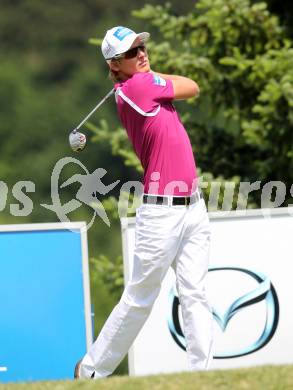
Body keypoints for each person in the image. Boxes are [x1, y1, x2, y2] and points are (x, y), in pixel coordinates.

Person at [74, 26, 213, 379]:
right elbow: (193, 87)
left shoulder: (138, 82)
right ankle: (91, 371)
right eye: (132, 52)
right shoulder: (138, 86)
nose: (142, 53)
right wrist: (148, 75)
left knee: (195, 292)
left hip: (193, 206)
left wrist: (146, 73)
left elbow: (183, 85)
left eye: (141, 47)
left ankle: (205, 376)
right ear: (115, 64)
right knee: (139, 299)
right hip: (162, 211)